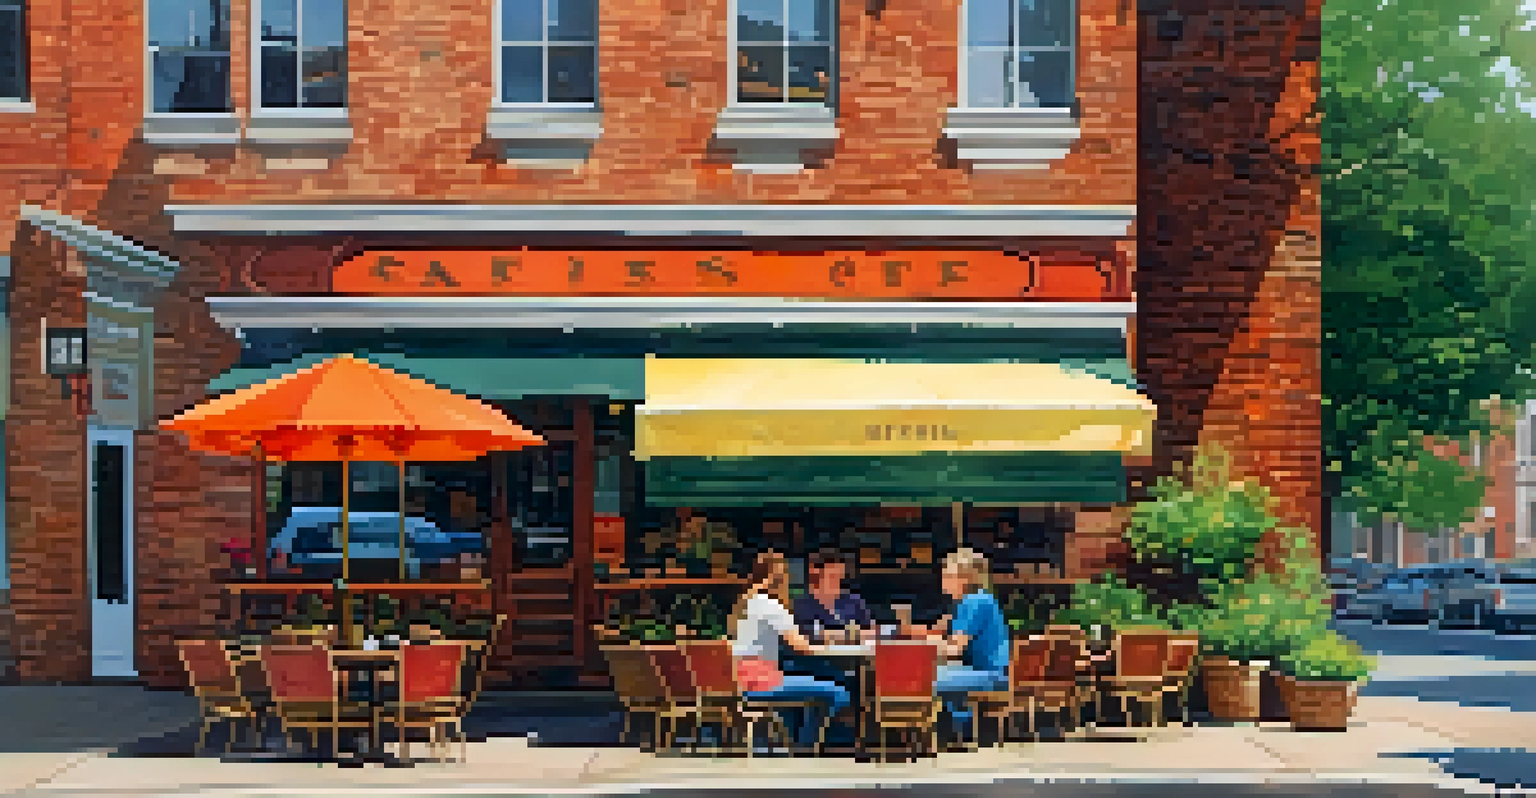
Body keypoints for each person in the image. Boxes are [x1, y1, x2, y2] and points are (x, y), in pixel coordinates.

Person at [730, 550, 850, 750]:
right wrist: (828, 642)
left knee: (816, 690)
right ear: (781, 579)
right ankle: (807, 749)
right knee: (839, 693)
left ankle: (801, 746)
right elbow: (800, 645)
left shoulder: (746, 604)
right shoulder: (772, 606)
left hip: (739, 679)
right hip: (763, 681)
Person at [903, 548, 1010, 747]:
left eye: (948, 575)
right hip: (984, 670)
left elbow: (954, 650)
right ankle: (957, 733)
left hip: (991, 674)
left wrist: (924, 646)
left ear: (966, 578)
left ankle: (925, 741)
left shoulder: (973, 602)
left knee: (921, 680)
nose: (943, 581)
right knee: (933, 675)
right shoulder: (976, 600)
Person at [793, 548, 875, 643]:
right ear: (817, 574)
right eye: (832, 576)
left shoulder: (854, 601)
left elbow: (869, 631)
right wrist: (848, 634)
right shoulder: (802, 605)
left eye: (840, 577)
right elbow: (805, 636)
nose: (837, 582)